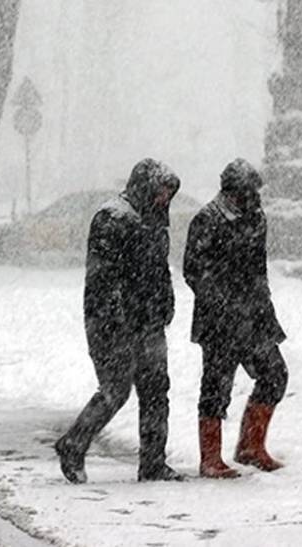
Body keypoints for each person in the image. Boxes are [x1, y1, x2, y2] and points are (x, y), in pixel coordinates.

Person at [54, 158, 186, 484]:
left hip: (149, 322)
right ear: (145, 186)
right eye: (160, 191)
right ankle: (73, 444)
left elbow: (158, 271)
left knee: (156, 391)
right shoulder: (112, 218)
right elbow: (102, 278)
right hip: (114, 324)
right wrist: (115, 320)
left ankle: (153, 463)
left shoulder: (154, 221)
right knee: (115, 389)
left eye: (169, 193)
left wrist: (165, 303)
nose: (164, 199)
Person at [184, 158, 288, 479]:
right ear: (231, 190)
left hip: (255, 317)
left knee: (274, 375)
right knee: (216, 387)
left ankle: (250, 447)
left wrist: (262, 306)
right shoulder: (207, 220)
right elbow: (194, 271)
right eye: (248, 191)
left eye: (255, 191)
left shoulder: (256, 217)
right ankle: (210, 459)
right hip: (219, 322)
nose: (254, 197)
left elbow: (259, 268)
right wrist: (222, 304)